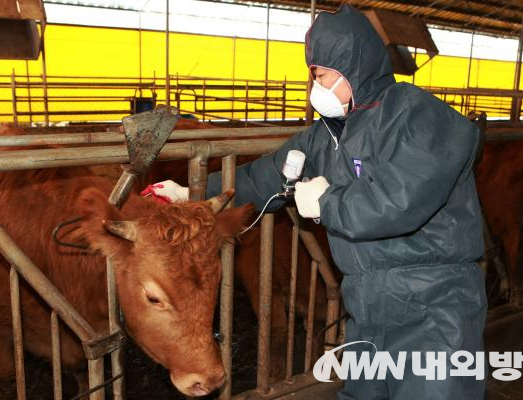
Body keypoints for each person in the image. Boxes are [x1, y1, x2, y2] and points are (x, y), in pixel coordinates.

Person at [146, 4, 487, 399]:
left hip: (435, 302)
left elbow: (398, 204)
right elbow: (264, 176)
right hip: (366, 303)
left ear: (352, 70)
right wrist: (195, 192)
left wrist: (327, 203)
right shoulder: (324, 136)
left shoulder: (419, 116)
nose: (316, 89)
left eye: (322, 76)